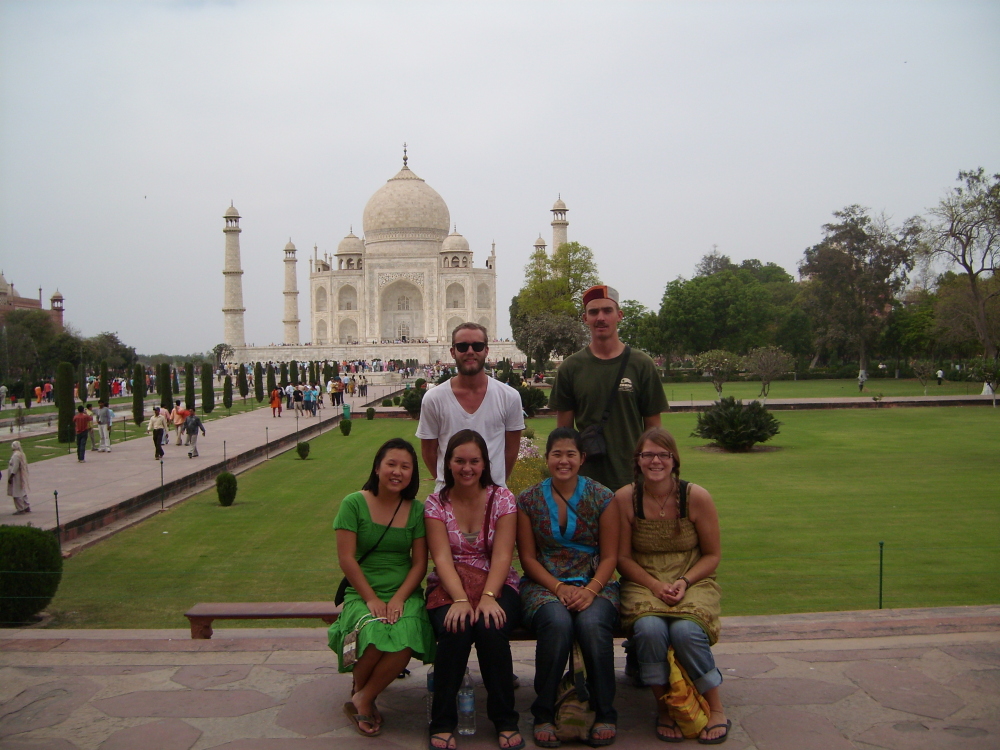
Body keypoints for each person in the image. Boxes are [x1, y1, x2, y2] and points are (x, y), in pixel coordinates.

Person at [615, 428, 728, 744]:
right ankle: (665, 706)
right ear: (638, 460)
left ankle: (715, 706)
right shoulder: (625, 499)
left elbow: (712, 555)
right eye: (648, 454)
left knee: (685, 631)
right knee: (650, 629)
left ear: (674, 459)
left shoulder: (696, 497)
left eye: (662, 455)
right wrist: (654, 585)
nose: (655, 461)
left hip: (692, 578)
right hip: (643, 580)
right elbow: (622, 557)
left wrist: (683, 581)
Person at [517, 427, 620, 748]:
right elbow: (528, 558)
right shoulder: (529, 500)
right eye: (557, 454)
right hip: (545, 583)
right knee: (557, 623)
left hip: (594, 581)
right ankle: (544, 712)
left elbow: (610, 556)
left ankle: (604, 711)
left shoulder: (602, 497)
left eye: (570, 454)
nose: (564, 461)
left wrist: (590, 590)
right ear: (547, 458)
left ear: (582, 458)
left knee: (592, 624)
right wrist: (558, 588)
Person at [327, 438, 435, 737]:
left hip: (403, 590)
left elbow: (419, 564)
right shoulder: (353, 504)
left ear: (412, 473)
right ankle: (363, 695)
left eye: (405, 467)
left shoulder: (416, 510)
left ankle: (363, 696)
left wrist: (399, 598)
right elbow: (347, 559)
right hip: (363, 590)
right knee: (373, 633)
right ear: (377, 467)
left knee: (406, 633)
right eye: (391, 464)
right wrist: (371, 599)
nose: (397, 472)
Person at [424, 430, 523, 750]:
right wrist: (460, 599)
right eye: (459, 461)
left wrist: (489, 597)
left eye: (474, 461)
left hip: (497, 582)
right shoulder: (436, 504)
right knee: (456, 627)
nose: (467, 468)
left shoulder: (502, 499)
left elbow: (503, 556)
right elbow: (441, 558)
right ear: (448, 464)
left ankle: (505, 719)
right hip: (450, 585)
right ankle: (442, 722)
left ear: (484, 464)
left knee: (491, 627)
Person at [549, 284, 668, 493]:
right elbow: (564, 436)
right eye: (593, 312)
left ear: (619, 315)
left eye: (607, 311)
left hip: (633, 480)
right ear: (585, 318)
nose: (600, 318)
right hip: (587, 485)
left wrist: (653, 476)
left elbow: (654, 431)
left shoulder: (641, 364)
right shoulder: (571, 368)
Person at [417, 322, 524, 493]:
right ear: (453, 351)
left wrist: (494, 483)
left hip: (493, 495)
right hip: (449, 495)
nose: (470, 351)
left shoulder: (509, 397)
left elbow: (511, 451)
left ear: (486, 350)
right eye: (462, 346)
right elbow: (429, 452)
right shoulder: (434, 399)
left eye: (477, 346)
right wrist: (450, 483)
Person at [7, 440, 30, 514]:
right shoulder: (21, 454)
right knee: (22, 491)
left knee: (16, 492)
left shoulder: (16, 455)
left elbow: (15, 466)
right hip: (20, 476)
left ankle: (20, 509)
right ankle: (26, 506)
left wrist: (11, 476)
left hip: (16, 477)